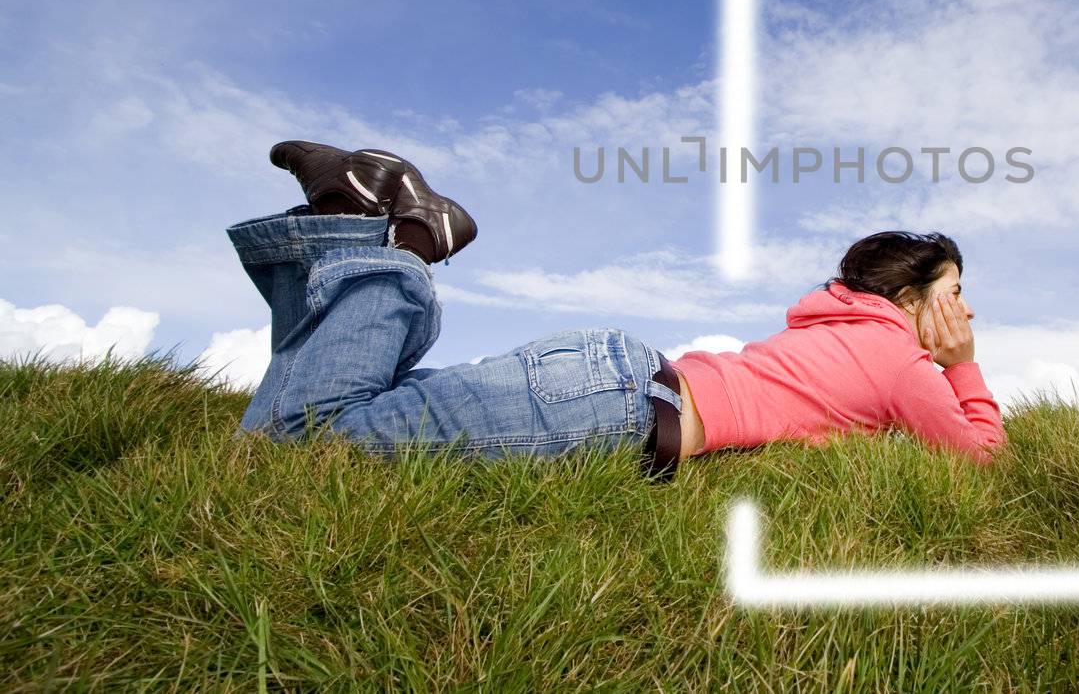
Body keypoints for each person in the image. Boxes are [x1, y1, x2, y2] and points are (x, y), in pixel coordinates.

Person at [230, 140, 1006, 482]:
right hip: (613, 405)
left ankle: (351, 220)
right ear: (907, 301)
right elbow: (981, 460)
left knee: (307, 433)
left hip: (609, 376)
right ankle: (400, 245)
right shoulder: (895, 357)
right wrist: (962, 365)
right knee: (301, 441)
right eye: (955, 293)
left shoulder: (834, 328)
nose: (967, 310)